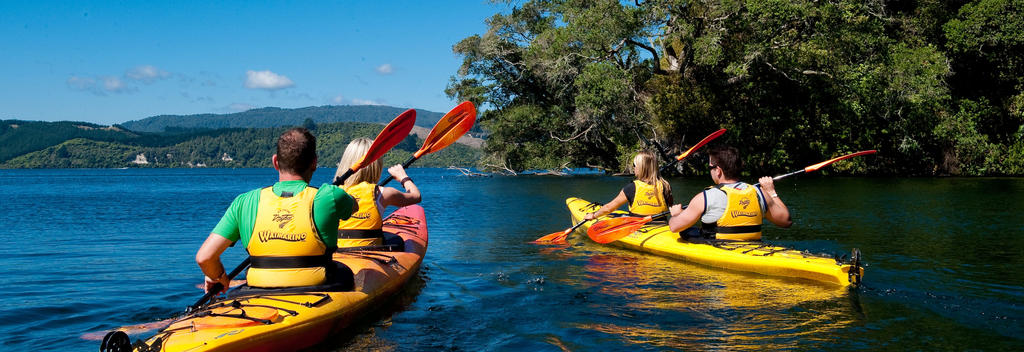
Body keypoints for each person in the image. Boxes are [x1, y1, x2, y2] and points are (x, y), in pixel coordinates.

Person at [196, 127, 358, 293]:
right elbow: (354, 206)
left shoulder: (245, 201)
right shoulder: (329, 195)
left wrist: (217, 275)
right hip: (316, 284)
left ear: (275, 162)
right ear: (314, 163)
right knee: (345, 272)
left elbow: (205, 257)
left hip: (258, 287)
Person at [668, 145, 791, 240]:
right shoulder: (759, 193)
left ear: (718, 171)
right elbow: (786, 221)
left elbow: (674, 227)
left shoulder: (705, 197)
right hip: (753, 247)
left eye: (710, 168)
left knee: (687, 230)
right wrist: (771, 191)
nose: (710, 171)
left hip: (719, 249)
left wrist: (676, 214)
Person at [335, 137, 421, 249]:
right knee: (398, 241)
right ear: (376, 165)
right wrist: (403, 177)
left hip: (339, 251)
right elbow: (416, 196)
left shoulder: (333, 192)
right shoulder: (383, 193)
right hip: (371, 251)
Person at [584, 150, 673, 221]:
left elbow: (609, 208)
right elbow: (671, 207)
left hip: (639, 228)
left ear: (640, 167)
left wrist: (594, 215)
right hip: (661, 226)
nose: (633, 167)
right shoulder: (665, 185)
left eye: (634, 165)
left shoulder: (631, 187)